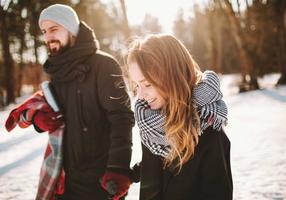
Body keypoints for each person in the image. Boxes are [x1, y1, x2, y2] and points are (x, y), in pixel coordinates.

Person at [23, 4, 134, 200]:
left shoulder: (104, 65)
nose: (48, 36)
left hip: (101, 181)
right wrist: (39, 121)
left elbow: (122, 118)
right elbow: (56, 114)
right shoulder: (56, 70)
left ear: (71, 29)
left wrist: (118, 167)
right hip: (64, 179)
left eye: (54, 29)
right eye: (44, 31)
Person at [124, 34, 233, 200]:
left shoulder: (208, 130)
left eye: (147, 84)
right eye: (136, 85)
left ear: (173, 76)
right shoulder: (151, 122)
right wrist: (130, 176)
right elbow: (158, 163)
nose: (140, 95)